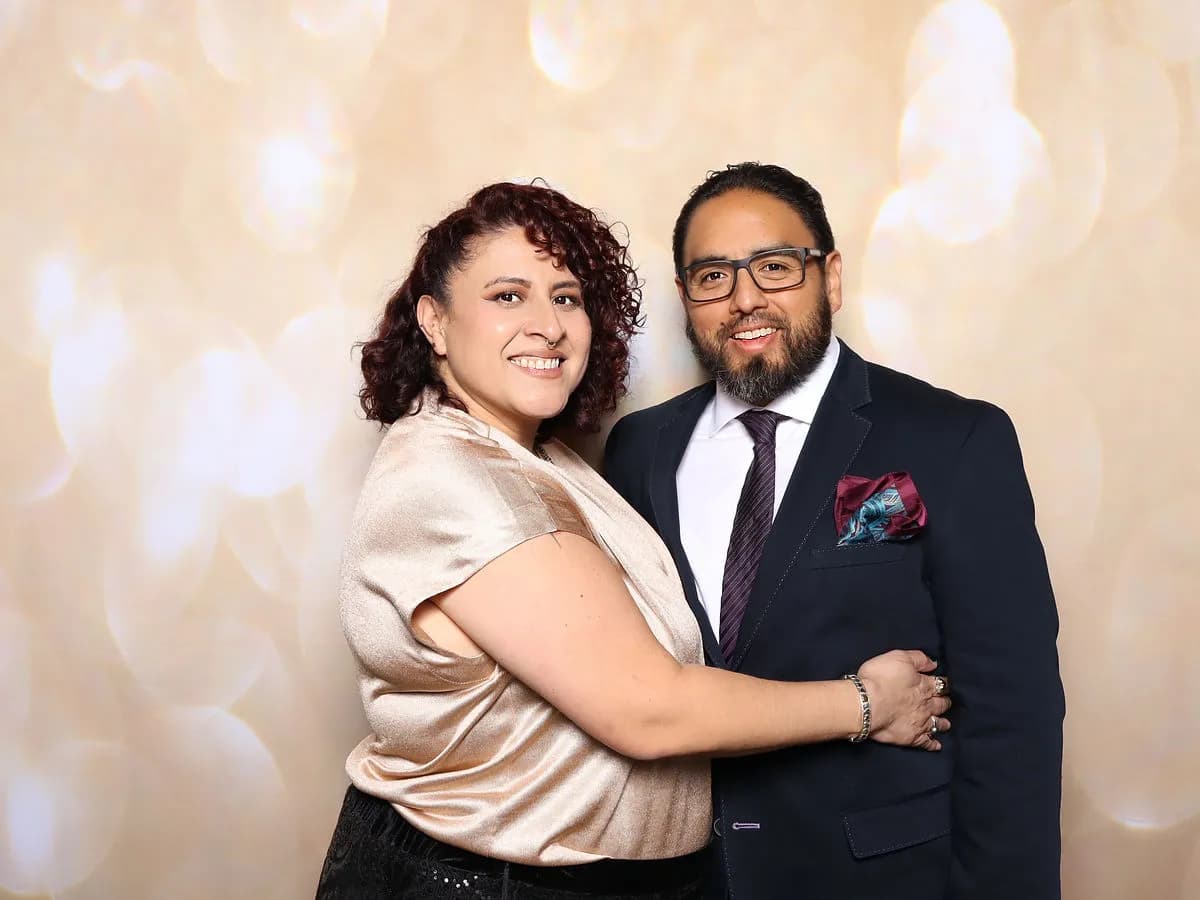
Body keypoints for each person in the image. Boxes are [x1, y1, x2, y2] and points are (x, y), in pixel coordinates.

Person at [316, 181, 954, 900]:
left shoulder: (537, 457)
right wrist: (869, 703)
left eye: (565, 297)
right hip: (481, 881)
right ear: (434, 321)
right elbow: (648, 709)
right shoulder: (461, 484)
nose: (548, 325)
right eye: (506, 296)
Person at [604, 163, 1066, 900]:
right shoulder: (639, 449)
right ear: (688, 299)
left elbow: (1014, 715)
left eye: (776, 267)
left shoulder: (951, 440)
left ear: (832, 278)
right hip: (684, 879)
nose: (745, 298)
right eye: (713, 276)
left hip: (882, 876)